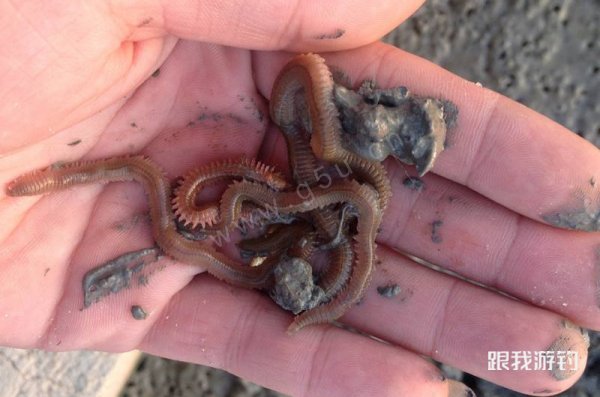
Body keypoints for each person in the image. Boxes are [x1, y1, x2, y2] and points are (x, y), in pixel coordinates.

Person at [0, 1, 597, 396]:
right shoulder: (245, 209)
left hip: (315, 198)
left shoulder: (321, 208)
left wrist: (306, 217)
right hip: (293, 194)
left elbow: (321, 183)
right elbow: (212, 199)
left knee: (324, 201)